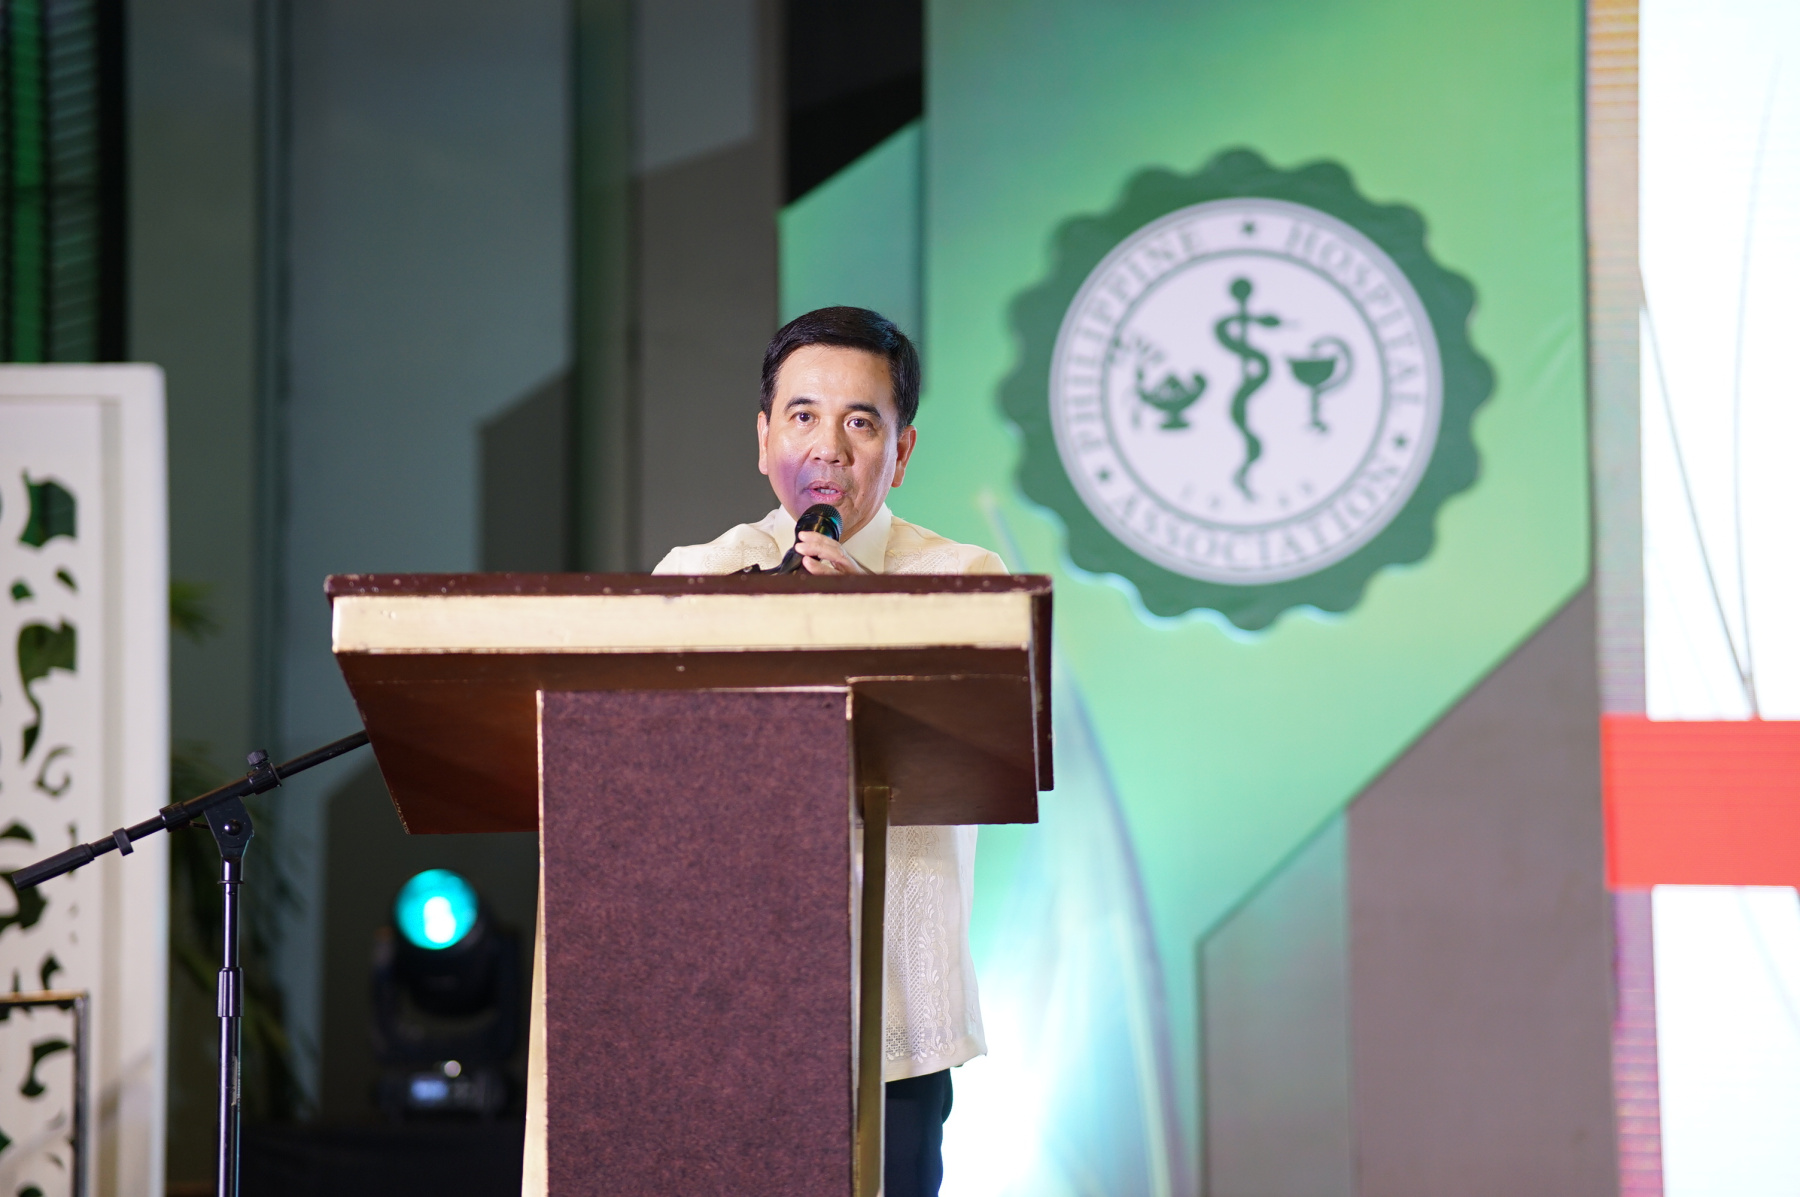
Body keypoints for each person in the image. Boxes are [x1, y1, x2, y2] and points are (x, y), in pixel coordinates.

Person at [654, 306, 1003, 1197]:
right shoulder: (696, 577)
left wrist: (868, 621)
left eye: (861, 422)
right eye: (803, 415)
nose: (829, 447)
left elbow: (978, 746)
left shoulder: (962, 581)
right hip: (723, 1012)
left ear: (903, 450)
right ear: (764, 437)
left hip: (894, 1027)